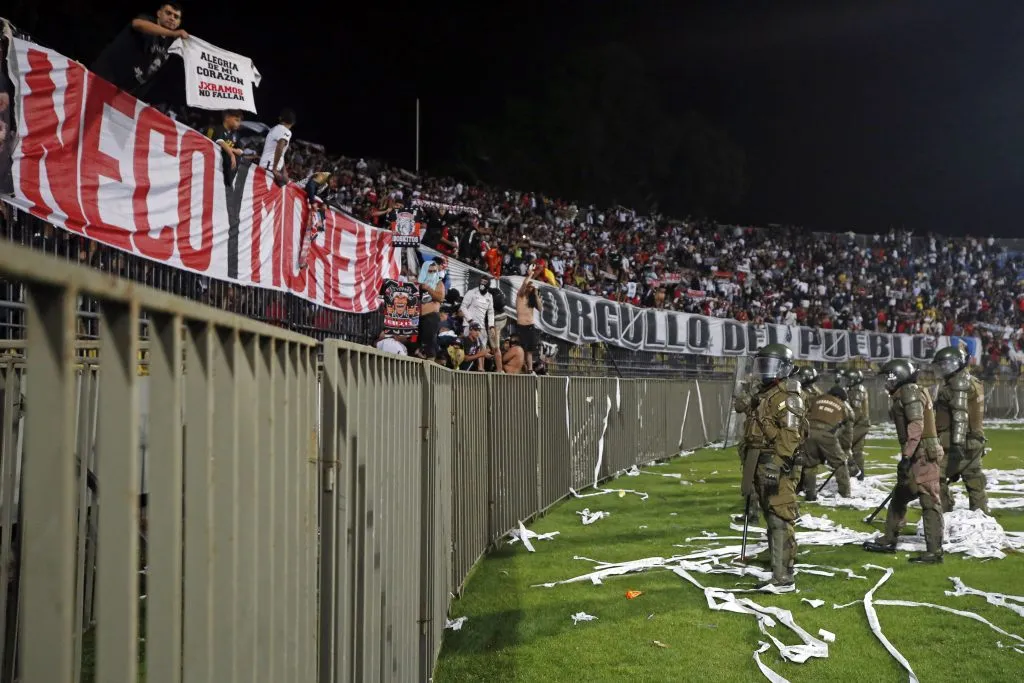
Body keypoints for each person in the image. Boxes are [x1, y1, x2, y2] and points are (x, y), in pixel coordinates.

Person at [863, 359, 945, 564]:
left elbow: (917, 425)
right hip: (919, 452)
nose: (886, 382)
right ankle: (889, 539)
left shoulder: (909, 391)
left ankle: (934, 552)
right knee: (900, 496)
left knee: (929, 501)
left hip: (922, 454)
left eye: (889, 377)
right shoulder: (911, 390)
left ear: (898, 376)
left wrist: (907, 456)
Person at [748, 343, 805, 591]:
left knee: (780, 515)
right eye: (762, 365)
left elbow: (791, 435)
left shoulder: (788, 396)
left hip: (778, 462)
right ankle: (779, 562)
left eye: (769, 365)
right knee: (771, 515)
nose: (764, 371)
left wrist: (779, 463)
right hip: (763, 460)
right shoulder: (768, 393)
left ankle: (783, 576)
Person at [932, 346, 988, 513]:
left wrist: (956, 445)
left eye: (947, 364)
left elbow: (960, 415)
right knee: (975, 483)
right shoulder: (973, 381)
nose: (943, 368)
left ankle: (944, 511)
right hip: (974, 441)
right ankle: (981, 520)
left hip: (957, 443)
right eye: (941, 365)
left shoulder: (958, 383)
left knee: (935, 477)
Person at [91, 4, 187, 99]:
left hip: (124, 91)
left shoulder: (171, 43)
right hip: (105, 76)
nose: (172, 18)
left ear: (179, 23)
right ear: (159, 13)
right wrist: (173, 33)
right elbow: (137, 24)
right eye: (168, 13)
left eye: (176, 16)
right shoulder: (147, 20)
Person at [800, 385, 855, 500]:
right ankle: (845, 494)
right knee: (840, 463)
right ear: (841, 398)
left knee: (809, 464)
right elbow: (848, 429)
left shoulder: (817, 399)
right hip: (827, 434)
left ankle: (810, 493)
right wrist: (845, 448)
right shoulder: (843, 406)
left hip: (809, 432)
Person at [844, 369, 871, 480]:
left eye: (848, 379)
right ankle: (860, 475)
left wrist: (846, 423)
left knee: (843, 444)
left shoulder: (857, 391)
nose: (846, 381)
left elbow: (857, 411)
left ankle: (854, 470)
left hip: (859, 424)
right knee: (857, 451)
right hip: (862, 424)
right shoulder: (855, 389)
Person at [516, 265, 543, 373]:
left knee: (530, 351)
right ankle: (522, 368)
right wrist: (531, 274)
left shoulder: (532, 300)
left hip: (530, 326)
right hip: (521, 326)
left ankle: (530, 370)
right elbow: (523, 285)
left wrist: (536, 296)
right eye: (529, 287)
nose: (530, 288)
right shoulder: (520, 296)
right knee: (521, 349)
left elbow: (540, 309)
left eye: (531, 287)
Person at [259, 109, 296, 186]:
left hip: (267, 165)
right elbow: (280, 147)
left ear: (280, 118)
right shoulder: (286, 131)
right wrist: (275, 168)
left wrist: (284, 171)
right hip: (270, 167)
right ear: (293, 123)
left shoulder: (275, 128)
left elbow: (281, 152)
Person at [207, 110, 244, 188]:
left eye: (240, 121)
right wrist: (231, 155)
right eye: (236, 120)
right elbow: (220, 141)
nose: (239, 124)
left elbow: (241, 151)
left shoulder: (235, 135)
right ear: (227, 118)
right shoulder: (216, 129)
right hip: (212, 166)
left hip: (225, 172)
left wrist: (231, 150)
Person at [417, 261, 445, 360]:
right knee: (416, 345)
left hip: (431, 317)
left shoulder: (438, 282)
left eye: (434, 271)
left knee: (429, 345)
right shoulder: (418, 282)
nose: (432, 273)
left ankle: (430, 365)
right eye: (430, 271)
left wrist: (428, 288)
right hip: (417, 317)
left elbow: (440, 298)